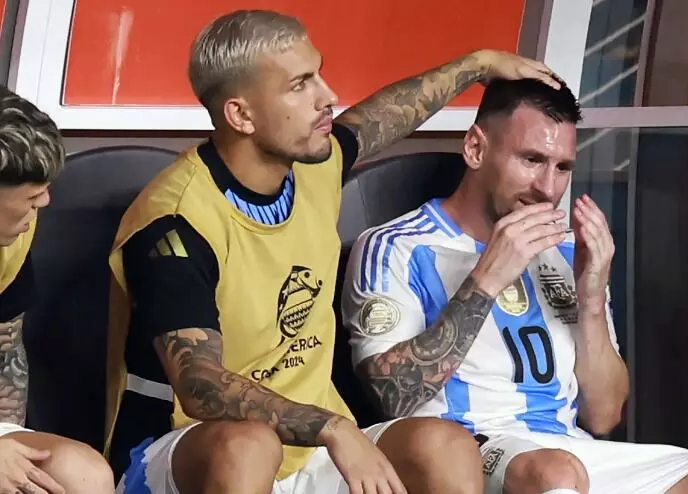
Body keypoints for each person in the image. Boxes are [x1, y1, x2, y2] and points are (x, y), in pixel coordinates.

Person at [105, 9, 562, 494]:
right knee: (250, 445)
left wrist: (478, 64)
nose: (327, 96)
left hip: (311, 451)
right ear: (241, 115)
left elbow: (383, 116)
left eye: (318, 74)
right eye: (300, 85)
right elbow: (199, 385)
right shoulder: (174, 221)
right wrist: (333, 428)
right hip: (184, 455)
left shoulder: (312, 167)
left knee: (444, 444)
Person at [342, 78, 688, 494]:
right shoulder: (397, 247)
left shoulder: (568, 252)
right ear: (476, 148)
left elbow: (604, 415)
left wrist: (591, 301)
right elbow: (391, 398)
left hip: (570, 449)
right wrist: (487, 277)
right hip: (470, 447)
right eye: (531, 160)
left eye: (563, 167)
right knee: (555, 472)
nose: (547, 188)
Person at [0, 86, 115, 493]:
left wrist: (7, 440)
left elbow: (5, 347)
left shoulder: (12, 239)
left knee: (80, 474)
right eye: (32, 194)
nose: (45, 202)